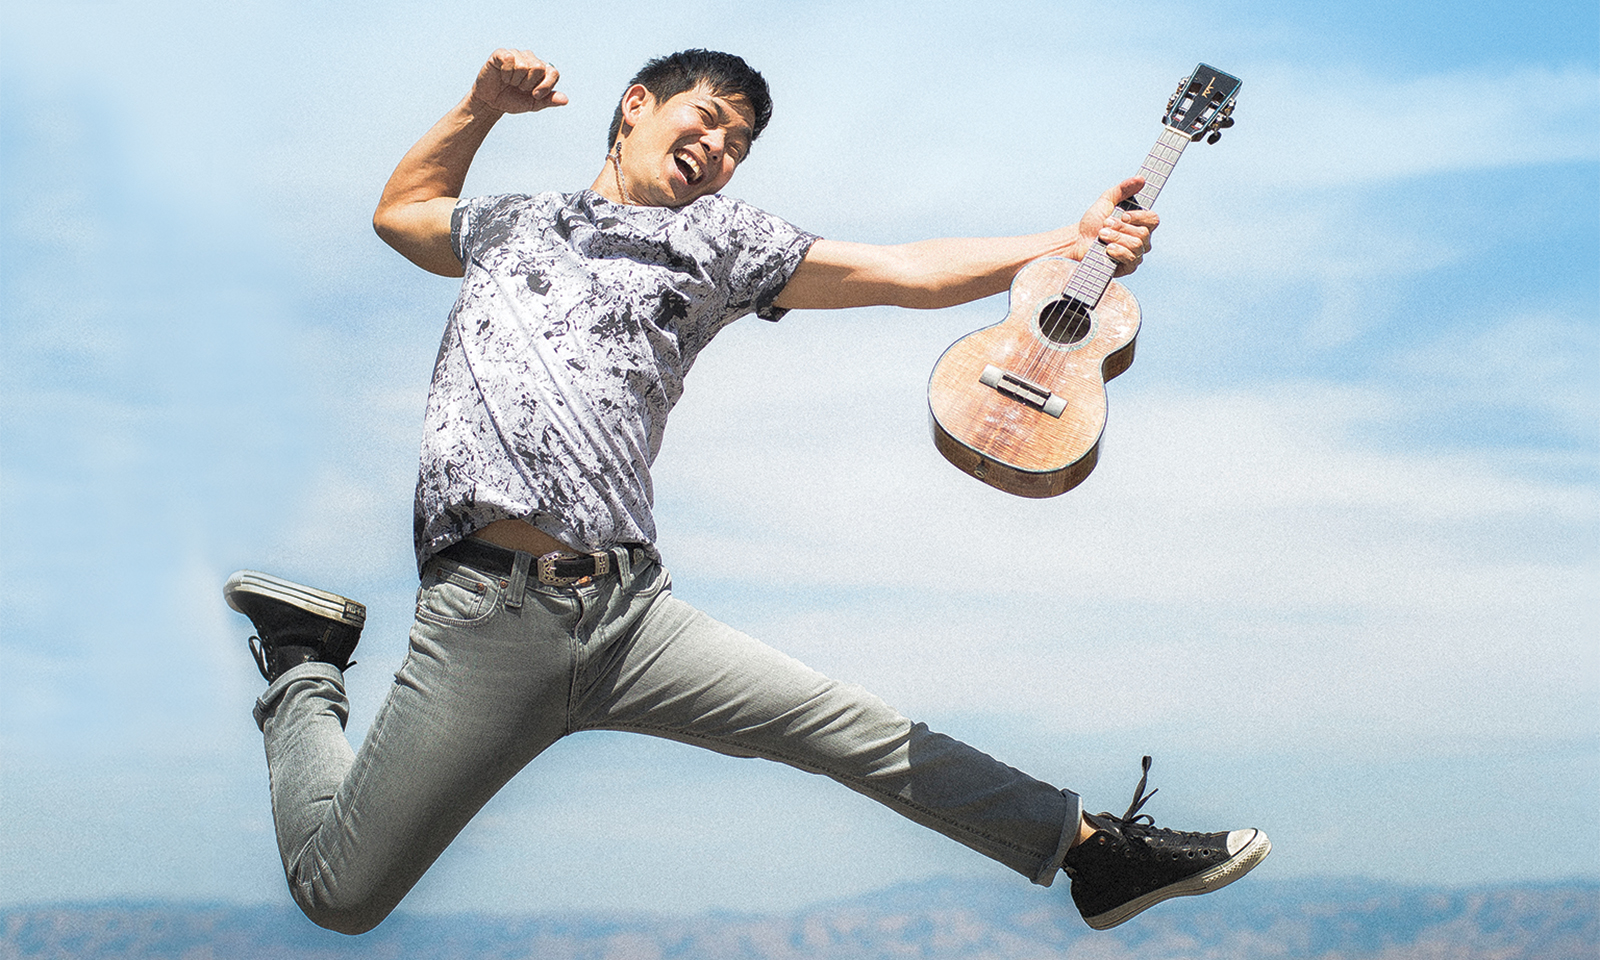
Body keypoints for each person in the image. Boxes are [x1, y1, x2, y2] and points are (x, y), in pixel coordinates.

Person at [224, 47, 1269, 937]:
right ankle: (304, 664)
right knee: (339, 897)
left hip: (630, 614)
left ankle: (1088, 854)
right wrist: (481, 109)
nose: (719, 149)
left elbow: (906, 267)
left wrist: (1070, 241)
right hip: (487, 620)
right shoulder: (513, 225)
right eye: (709, 119)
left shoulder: (721, 244)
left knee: (851, 730)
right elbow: (402, 212)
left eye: (737, 146)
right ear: (635, 106)